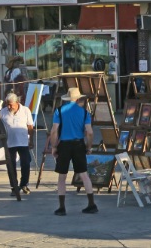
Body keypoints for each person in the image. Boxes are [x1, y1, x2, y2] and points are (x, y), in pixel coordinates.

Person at [50, 87, 96, 216]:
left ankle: (61, 207)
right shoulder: (85, 113)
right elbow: (90, 132)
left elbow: (54, 131)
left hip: (64, 145)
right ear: (78, 98)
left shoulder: (59, 111)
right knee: (83, 174)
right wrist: (89, 146)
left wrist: (54, 146)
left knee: (62, 176)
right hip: (79, 144)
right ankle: (91, 204)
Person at [0, 92, 34, 197]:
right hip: (9, 143)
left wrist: (31, 140)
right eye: (7, 104)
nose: (9, 107)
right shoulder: (3, 112)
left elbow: (30, 126)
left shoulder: (25, 110)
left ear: (17, 102)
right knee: (10, 165)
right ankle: (14, 186)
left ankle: (24, 184)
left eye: (11, 104)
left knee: (26, 163)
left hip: (23, 142)